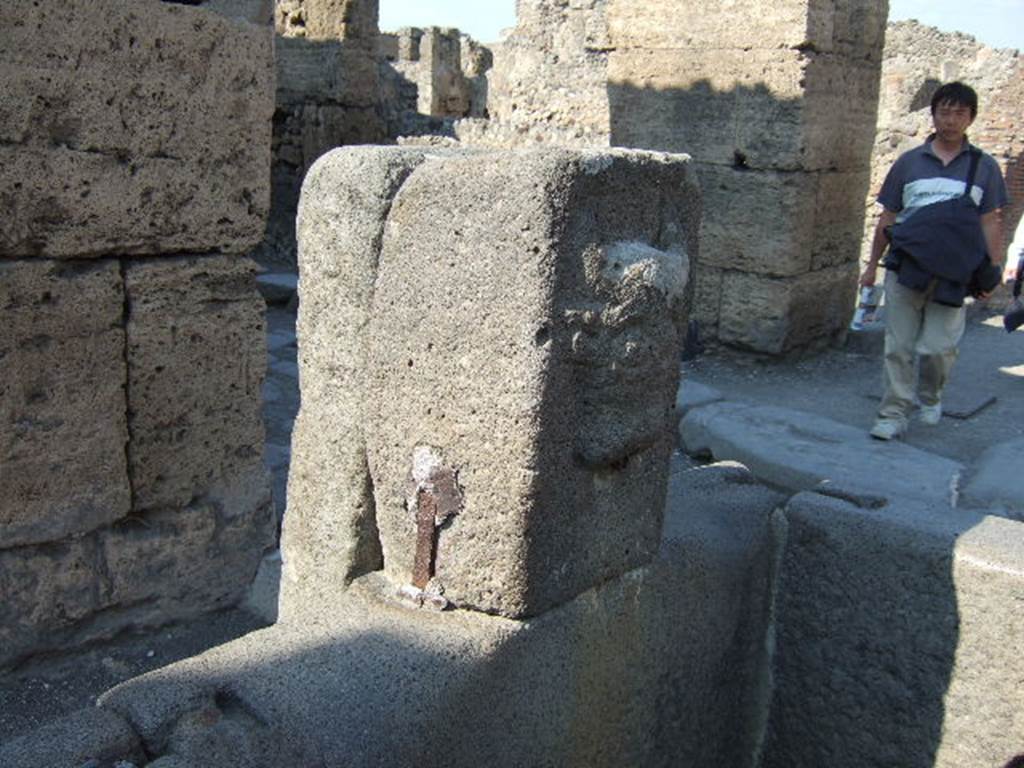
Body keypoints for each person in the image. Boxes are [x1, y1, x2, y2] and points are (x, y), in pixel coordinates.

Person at [860, 82, 1008, 440]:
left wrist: (993, 272)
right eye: (945, 111)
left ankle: (930, 395)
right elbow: (888, 217)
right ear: (934, 114)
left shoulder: (983, 167)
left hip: (953, 273)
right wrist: (870, 268)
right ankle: (892, 413)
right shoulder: (910, 163)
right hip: (906, 266)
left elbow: (990, 221)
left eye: (960, 113)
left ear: (971, 118)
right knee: (898, 346)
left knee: (938, 348)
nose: (951, 120)